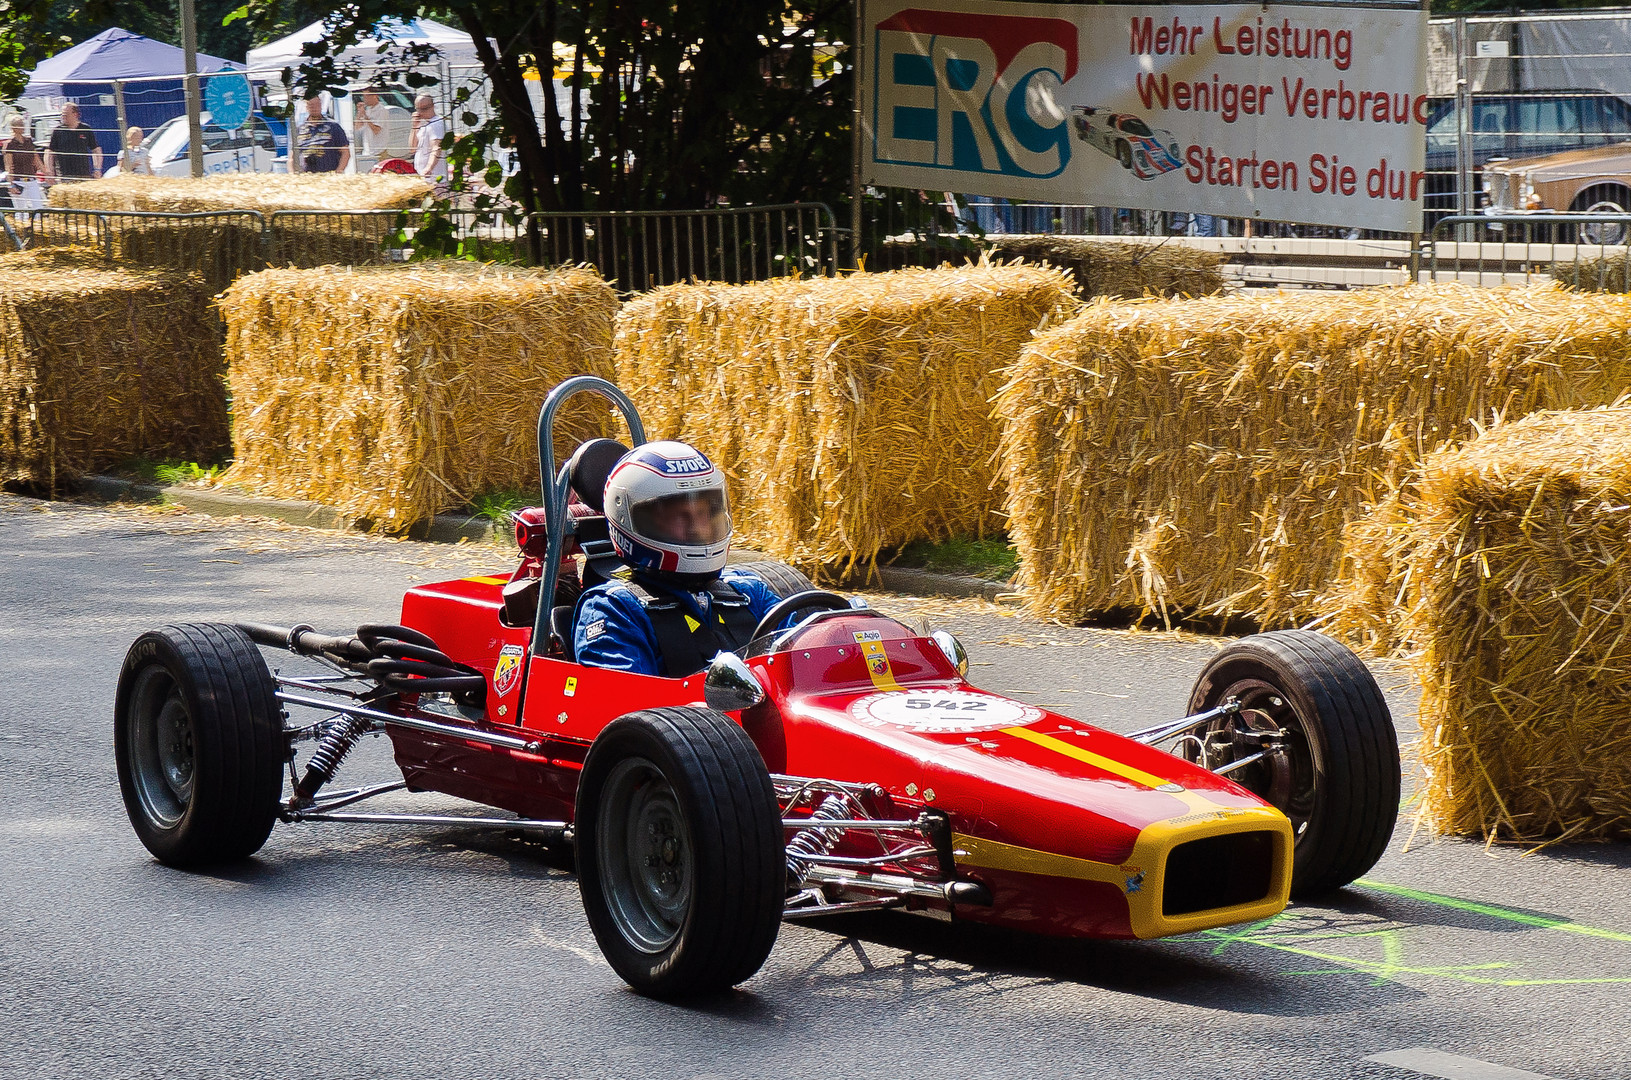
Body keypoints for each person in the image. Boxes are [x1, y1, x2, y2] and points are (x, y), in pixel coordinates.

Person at [573, 442, 782, 677]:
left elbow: (810, 655)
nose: (698, 527)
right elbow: (627, 707)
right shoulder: (613, 609)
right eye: (679, 516)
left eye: (703, 513)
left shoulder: (750, 592)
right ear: (636, 522)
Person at [353, 88, 411, 171]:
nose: (364, 99)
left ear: (375, 96)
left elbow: (376, 130)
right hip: (368, 151)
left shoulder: (381, 110)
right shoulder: (368, 110)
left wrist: (365, 117)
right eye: (364, 96)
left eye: (367, 96)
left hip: (379, 152)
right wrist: (359, 113)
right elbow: (357, 127)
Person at [44, 102, 101, 182]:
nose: (63, 117)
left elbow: (96, 150)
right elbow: (49, 152)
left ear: (75, 114)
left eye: (66, 114)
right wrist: (49, 171)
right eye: (62, 115)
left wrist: (97, 169)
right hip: (65, 176)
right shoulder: (58, 131)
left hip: (84, 175)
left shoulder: (85, 129)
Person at [297, 95, 350, 173]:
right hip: (306, 177)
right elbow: (292, 156)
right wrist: (293, 175)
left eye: (317, 105)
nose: (314, 108)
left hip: (329, 176)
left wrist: (339, 172)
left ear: (321, 106)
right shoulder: (299, 129)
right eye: (311, 105)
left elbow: (345, 152)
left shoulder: (333, 126)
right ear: (307, 107)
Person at [4, 114, 45, 208]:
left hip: (32, 179)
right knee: (21, 212)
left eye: (22, 124)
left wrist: (46, 173)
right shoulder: (10, 144)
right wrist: (11, 184)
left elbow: (36, 159)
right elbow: (8, 166)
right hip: (18, 181)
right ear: (14, 128)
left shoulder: (28, 141)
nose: (23, 126)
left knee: (38, 207)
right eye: (20, 124)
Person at [409, 94, 445, 179]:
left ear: (432, 106)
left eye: (424, 109)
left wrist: (429, 168)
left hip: (434, 176)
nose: (421, 112)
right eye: (418, 109)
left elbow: (436, 147)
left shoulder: (437, 124)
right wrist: (414, 127)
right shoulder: (423, 124)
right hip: (422, 175)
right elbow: (412, 149)